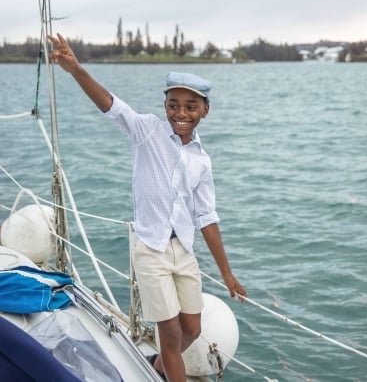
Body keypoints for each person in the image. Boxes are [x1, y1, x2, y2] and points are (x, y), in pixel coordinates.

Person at [48, 32, 247, 382]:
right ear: (165, 105)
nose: (180, 113)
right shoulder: (147, 131)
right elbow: (110, 104)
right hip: (151, 248)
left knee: (192, 329)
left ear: (205, 110)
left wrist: (227, 272)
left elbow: (207, 217)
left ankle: (158, 365)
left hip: (183, 249)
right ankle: (167, 367)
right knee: (169, 336)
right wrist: (76, 69)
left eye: (190, 106)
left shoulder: (202, 161)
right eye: (173, 105)